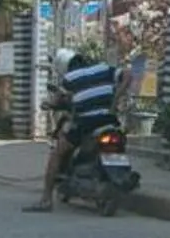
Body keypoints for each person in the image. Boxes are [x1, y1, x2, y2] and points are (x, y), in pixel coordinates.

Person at [29, 45, 119, 212]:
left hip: (86, 123)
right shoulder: (103, 68)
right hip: (110, 121)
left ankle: (46, 200)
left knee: (57, 153)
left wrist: (48, 104)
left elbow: (57, 101)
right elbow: (126, 75)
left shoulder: (70, 78)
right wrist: (115, 100)